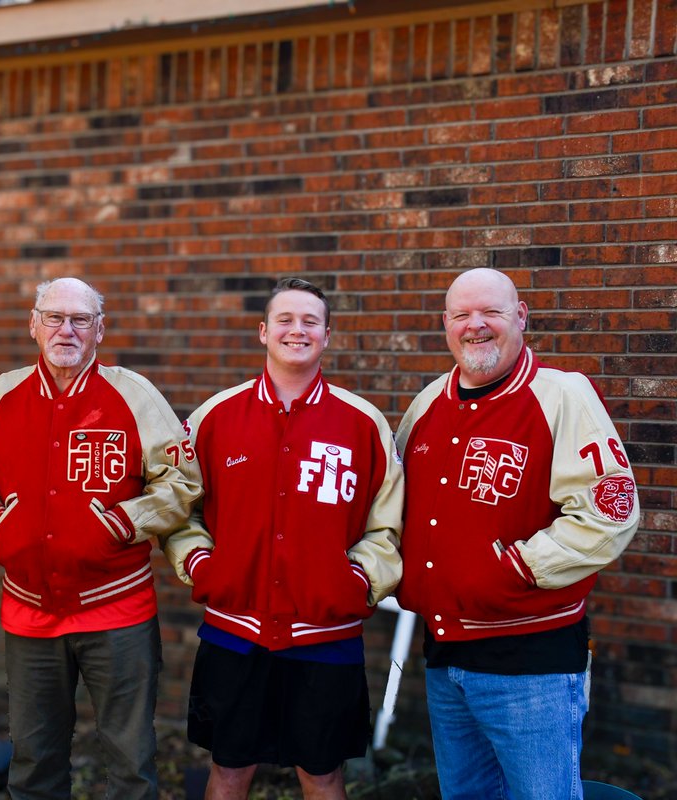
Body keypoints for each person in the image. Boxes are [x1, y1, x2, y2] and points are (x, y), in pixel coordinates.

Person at [0, 277, 207, 800]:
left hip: (117, 611)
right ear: (34, 325)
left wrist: (120, 523)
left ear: (99, 330)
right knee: (33, 762)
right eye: (54, 317)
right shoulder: (2, 395)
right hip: (29, 613)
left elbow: (181, 482)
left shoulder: (135, 395)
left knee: (131, 761)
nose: (65, 330)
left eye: (80, 319)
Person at [396, 267, 639, 800]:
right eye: (462, 314)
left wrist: (513, 569)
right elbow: (395, 506)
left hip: (531, 664)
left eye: (492, 312)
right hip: (443, 657)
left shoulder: (562, 395)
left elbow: (610, 513)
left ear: (521, 316)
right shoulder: (428, 402)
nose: (475, 325)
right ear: (445, 323)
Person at [178, 277, 403, 800]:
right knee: (229, 770)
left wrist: (355, 581)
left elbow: (387, 526)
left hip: (326, 634)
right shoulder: (214, 417)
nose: (297, 330)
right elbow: (179, 512)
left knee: (323, 775)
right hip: (235, 630)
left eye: (310, 321)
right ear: (263, 331)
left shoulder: (362, 423)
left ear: (328, 336)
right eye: (285, 319)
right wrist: (202, 565)